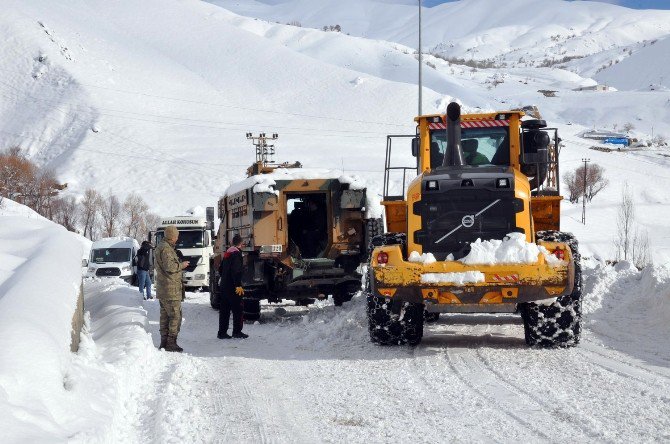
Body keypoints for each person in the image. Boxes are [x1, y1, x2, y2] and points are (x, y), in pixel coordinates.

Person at [155, 225, 190, 352]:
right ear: (172, 236)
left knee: (164, 317)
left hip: (165, 289)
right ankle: (170, 343)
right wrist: (182, 265)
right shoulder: (166, 249)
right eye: (176, 236)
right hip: (170, 290)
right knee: (175, 316)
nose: (177, 238)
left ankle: (164, 342)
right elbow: (170, 266)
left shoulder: (163, 247)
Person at [217, 234, 248, 339]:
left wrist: (225, 278)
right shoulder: (237, 254)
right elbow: (237, 271)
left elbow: (220, 269)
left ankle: (222, 333)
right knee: (238, 309)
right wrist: (238, 285)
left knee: (224, 310)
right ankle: (237, 332)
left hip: (224, 286)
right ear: (241, 244)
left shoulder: (227, 253)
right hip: (233, 287)